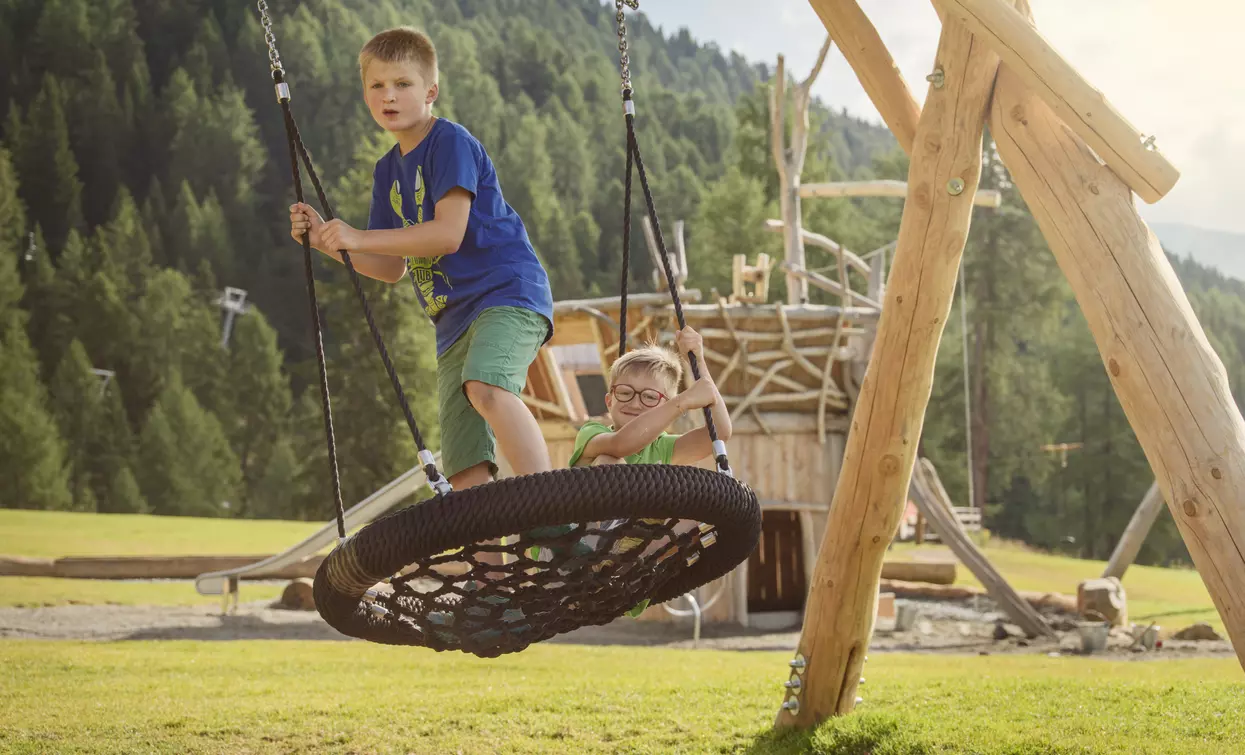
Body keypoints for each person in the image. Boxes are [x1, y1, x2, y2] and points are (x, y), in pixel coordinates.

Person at [289, 27, 554, 491]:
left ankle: (557, 512)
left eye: (403, 84)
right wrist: (327, 242)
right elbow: (389, 267)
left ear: (431, 91)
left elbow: (448, 235)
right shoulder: (387, 170)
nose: (388, 95)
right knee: (465, 458)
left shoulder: (448, 141)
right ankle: (485, 559)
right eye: (377, 86)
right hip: (451, 321)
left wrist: (358, 236)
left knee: (487, 389)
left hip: (506, 293)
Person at [562, 325, 733, 617]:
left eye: (650, 398)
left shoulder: (664, 448)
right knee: (610, 462)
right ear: (609, 400)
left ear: (663, 408)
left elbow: (719, 433)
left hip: (627, 567)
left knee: (693, 510)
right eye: (625, 393)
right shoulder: (592, 433)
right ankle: (604, 559)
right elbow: (621, 445)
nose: (635, 403)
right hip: (570, 557)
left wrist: (698, 361)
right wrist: (681, 402)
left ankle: (634, 569)